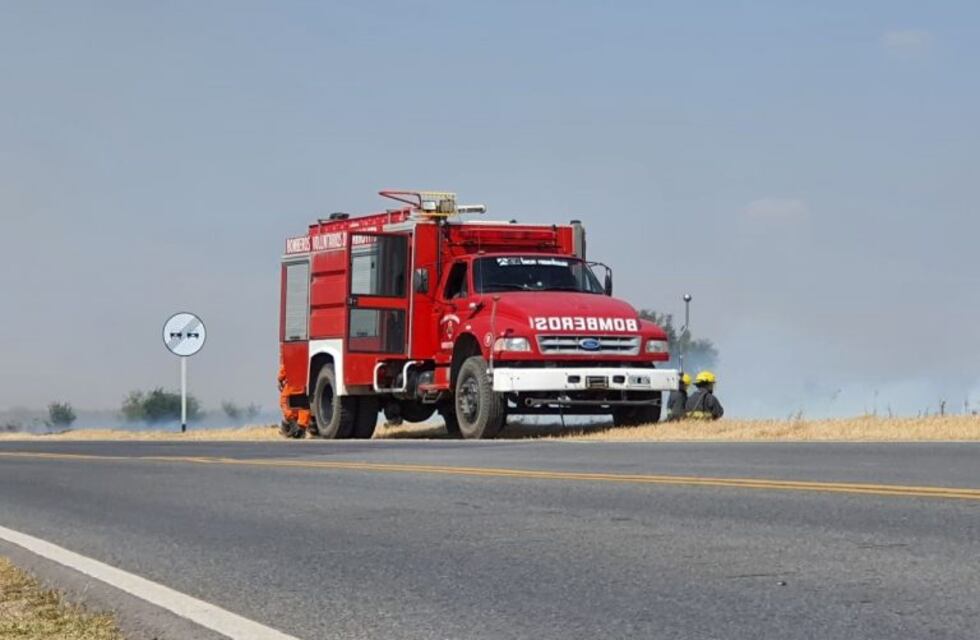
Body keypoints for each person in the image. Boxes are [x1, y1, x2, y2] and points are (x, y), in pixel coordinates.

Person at [278, 362, 311, 438]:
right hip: (304, 383)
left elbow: (285, 365)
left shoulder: (290, 355)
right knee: (303, 404)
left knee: (284, 402)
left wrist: (280, 378)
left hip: (292, 382)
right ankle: (301, 429)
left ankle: (294, 426)